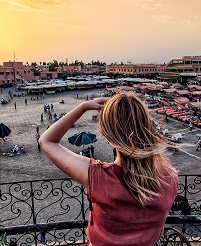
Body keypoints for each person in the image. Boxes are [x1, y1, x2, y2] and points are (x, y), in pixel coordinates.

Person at [39, 95, 178, 245]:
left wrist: (83, 106)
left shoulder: (99, 177)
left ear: (107, 135)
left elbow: (47, 141)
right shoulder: (169, 174)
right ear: (147, 126)